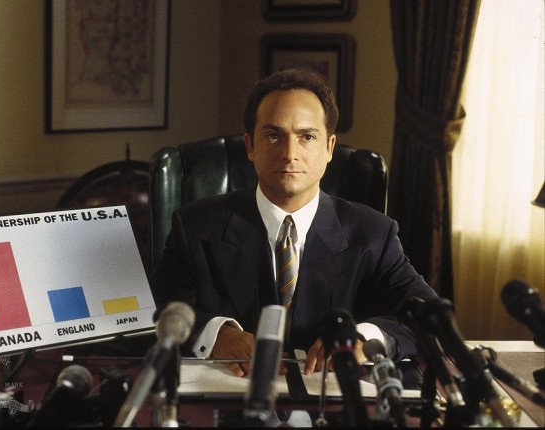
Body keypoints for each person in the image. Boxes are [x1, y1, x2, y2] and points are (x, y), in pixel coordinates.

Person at [149, 68, 439, 378]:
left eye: (307, 137)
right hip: (230, 390)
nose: (290, 154)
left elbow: (428, 314)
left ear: (329, 148)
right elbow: (156, 310)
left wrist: (362, 339)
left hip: (332, 397)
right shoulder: (195, 226)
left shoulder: (373, 234)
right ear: (250, 146)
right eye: (274, 136)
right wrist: (215, 335)